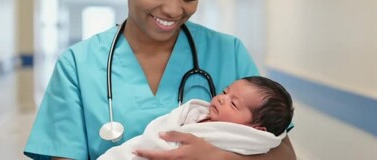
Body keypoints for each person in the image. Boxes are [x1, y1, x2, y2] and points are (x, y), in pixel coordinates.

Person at [24, 0, 296, 159]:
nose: (174, 10)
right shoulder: (77, 65)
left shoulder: (228, 52)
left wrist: (216, 157)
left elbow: (283, 152)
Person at [98, 76, 294, 159]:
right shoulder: (196, 113)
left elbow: (285, 155)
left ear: (256, 130)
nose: (221, 99)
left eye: (233, 104)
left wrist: (219, 157)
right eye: (225, 92)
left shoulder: (239, 139)